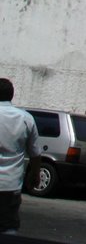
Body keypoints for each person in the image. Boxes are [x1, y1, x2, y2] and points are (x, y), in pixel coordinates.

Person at [0, 78, 40, 235]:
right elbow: (35, 154)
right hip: (11, 185)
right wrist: (34, 174)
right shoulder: (26, 118)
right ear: (11, 95)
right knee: (8, 227)